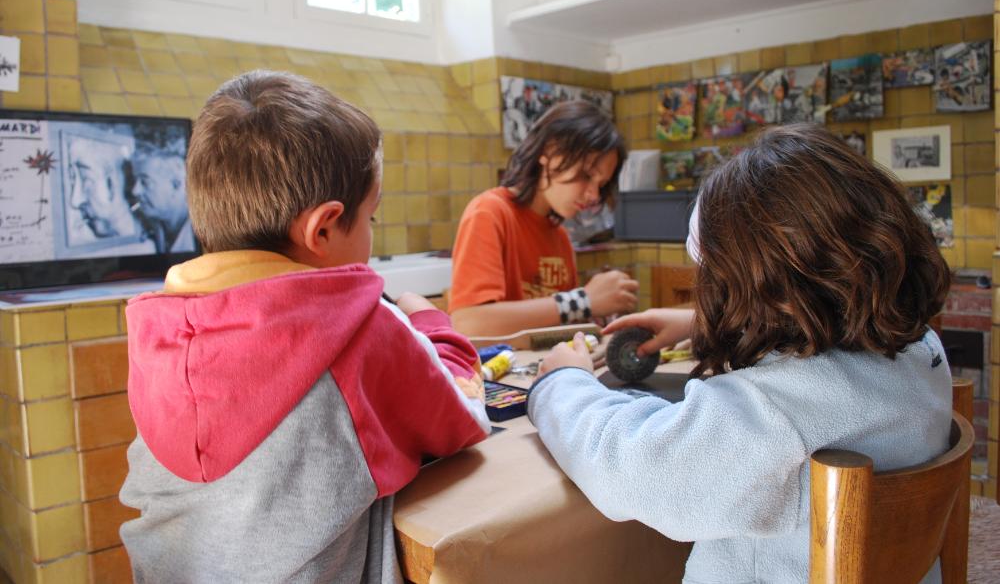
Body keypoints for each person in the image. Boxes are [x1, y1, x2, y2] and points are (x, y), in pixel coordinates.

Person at [528, 123, 952, 584]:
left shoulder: (778, 416)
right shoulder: (922, 348)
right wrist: (693, 322)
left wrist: (562, 382)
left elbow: (627, 467)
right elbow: (831, 331)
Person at [119, 70, 490, 583]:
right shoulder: (359, 326)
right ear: (323, 228)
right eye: (370, 220)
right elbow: (462, 417)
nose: (370, 237)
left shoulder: (157, 332)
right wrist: (427, 320)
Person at [449, 100, 638, 337]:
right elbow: (469, 323)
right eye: (586, 175)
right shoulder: (490, 212)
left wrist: (592, 314)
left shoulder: (559, 236)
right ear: (548, 152)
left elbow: (557, 321)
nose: (593, 194)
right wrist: (583, 301)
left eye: (600, 184)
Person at [130, 139, 196, 253]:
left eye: (145, 182)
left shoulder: (206, 236)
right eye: (134, 181)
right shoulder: (146, 224)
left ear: (176, 185)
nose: (135, 191)